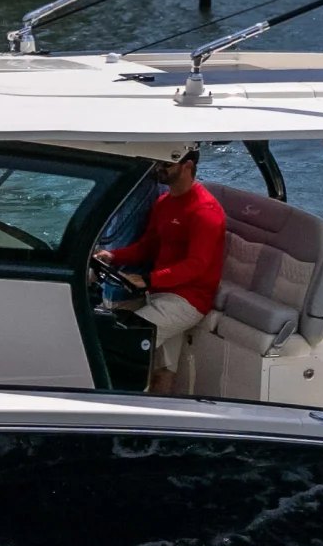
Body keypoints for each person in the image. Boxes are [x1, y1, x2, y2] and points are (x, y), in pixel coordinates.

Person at [97, 145, 226, 395]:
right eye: (158, 162)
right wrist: (113, 256)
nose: (158, 168)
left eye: (166, 164)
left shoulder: (205, 212)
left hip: (187, 301)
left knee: (128, 338)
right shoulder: (164, 202)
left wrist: (148, 280)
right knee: (164, 368)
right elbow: (148, 246)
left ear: (187, 166)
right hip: (159, 294)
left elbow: (197, 265)